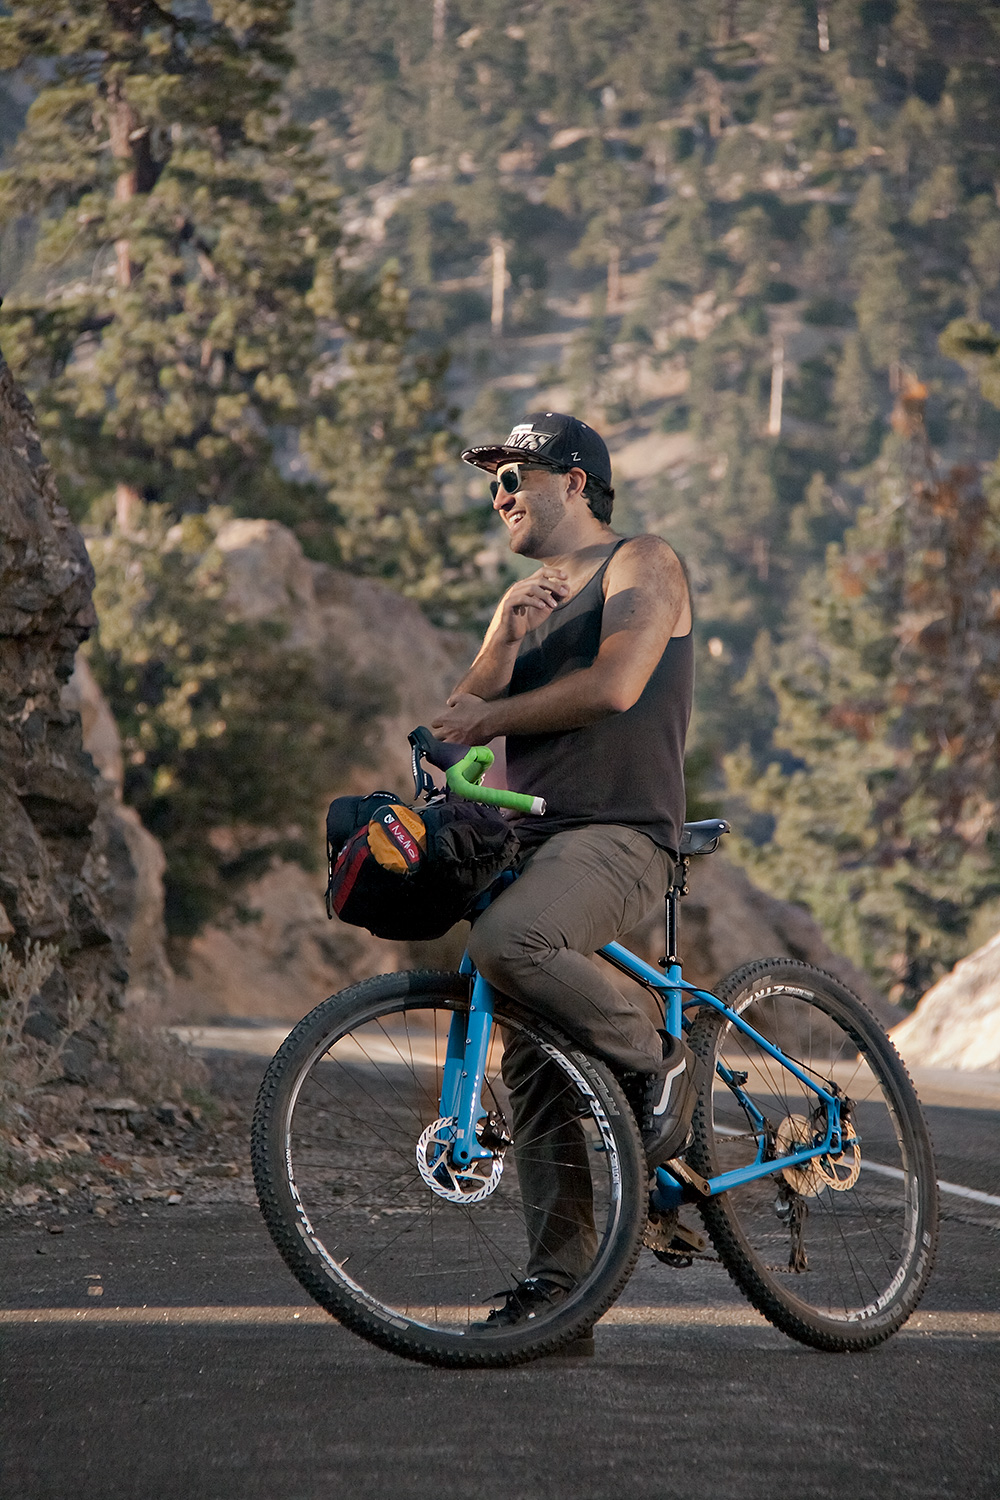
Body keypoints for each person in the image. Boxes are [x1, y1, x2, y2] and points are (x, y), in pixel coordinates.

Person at [431, 411, 696, 1331]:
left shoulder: (643, 564)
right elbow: (462, 709)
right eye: (492, 479)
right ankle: (560, 1297)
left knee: (514, 942)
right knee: (533, 1051)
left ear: (575, 481)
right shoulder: (533, 595)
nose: (499, 492)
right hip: (540, 841)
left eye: (517, 475)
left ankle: (662, 1062)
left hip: (624, 833)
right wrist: (503, 635)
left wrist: (489, 721)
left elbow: (619, 684)